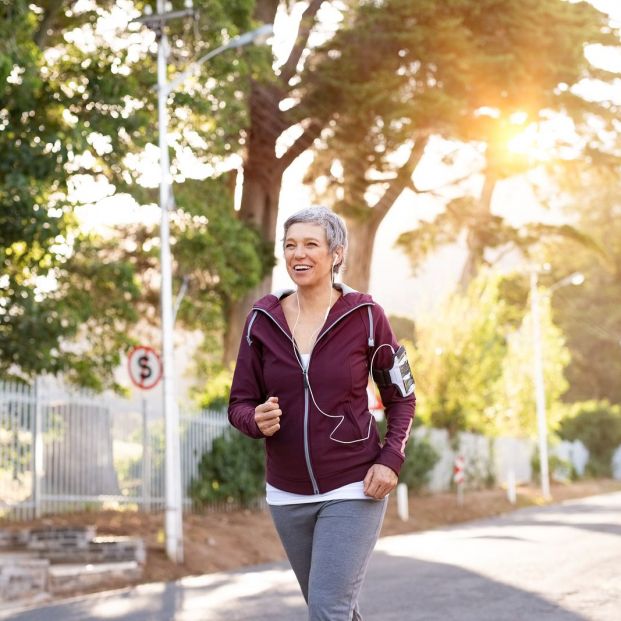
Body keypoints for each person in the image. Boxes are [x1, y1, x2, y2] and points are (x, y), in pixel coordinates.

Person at [228, 205, 416, 621]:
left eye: (311, 244)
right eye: (291, 245)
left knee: (328, 609)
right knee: (333, 609)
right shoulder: (262, 320)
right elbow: (238, 403)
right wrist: (254, 420)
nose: (300, 254)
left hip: (353, 486)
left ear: (337, 253)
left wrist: (391, 460)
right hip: (286, 492)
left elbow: (402, 397)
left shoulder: (366, 316)